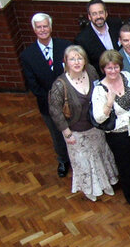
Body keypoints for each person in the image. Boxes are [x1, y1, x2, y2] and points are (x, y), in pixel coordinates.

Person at [48, 45, 118, 202]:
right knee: (84, 163)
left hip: (95, 127)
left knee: (100, 157)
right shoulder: (60, 85)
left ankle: (105, 184)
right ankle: (89, 190)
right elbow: (55, 111)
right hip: (76, 132)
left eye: (79, 58)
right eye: (72, 59)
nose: (76, 62)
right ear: (66, 61)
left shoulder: (91, 72)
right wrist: (66, 133)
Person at [91, 49, 130, 206]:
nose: (113, 71)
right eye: (109, 68)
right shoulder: (100, 89)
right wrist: (109, 102)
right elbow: (99, 117)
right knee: (126, 165)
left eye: (116, 67)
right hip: (118, 134)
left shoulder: (127, 76)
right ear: (103, 69)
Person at [21, 13, 71, 177]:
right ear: (34, 30)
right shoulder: (27, 55)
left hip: (71, 100)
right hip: (48, 105)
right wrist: (54, 101)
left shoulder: (65, 46)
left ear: (50, 27)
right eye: (39, 27)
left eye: (45, 26)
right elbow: (32, 85)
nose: (43, 30)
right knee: (57, 135)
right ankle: (63, 160)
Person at [75, 0, 122, 73]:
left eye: (101, 12)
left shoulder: (117, 25)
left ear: (106, 13)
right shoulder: (82, 40)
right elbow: (88, 66)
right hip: (101, 77)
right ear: (89, 17)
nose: (98, 16)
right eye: (94, 14)